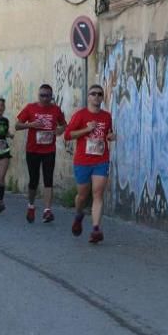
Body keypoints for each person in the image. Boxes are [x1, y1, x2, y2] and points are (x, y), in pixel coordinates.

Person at [64, 84, 115, 244]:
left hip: (101, 159)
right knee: (82, 196)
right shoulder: (80, 115)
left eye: (100, 94)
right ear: (89, 97)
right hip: (83, 161)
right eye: (93, 94)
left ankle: (95, 229)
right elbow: (67, 135)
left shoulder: (106, 116)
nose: (97, 97)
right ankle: (79, 214)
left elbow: (108, 133)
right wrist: (86, 130)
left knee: (98, 193)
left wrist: (111, 136)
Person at [15, 84, 66, 223]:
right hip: (33, 150)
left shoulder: (55, 109)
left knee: (48, 179)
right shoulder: (30, 108)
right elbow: (17, 125)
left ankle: (47, 210)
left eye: (47, 96)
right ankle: (31, 205)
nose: (44, 98)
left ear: (51, 96)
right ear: (38, 95)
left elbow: (63, 124)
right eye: (42, 95)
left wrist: (60, 130)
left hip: (49, 150)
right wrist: (30, 125)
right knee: (34, 180)